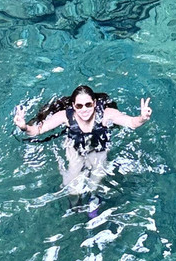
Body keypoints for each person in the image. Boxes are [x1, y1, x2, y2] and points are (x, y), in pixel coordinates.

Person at [13, 85, 152, 202]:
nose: (84, 109)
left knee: (94, 183)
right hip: (74, 148)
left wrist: (142, 118)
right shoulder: (66, 116)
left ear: (95, 103)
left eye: (88, 104)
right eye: (79, 106)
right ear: (73, 106)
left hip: (99, 149)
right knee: (72, 188)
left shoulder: (106, 114)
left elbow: (131, 123)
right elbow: (37, 130)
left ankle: (92, 205)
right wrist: (24, 127)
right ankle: (75, 206)